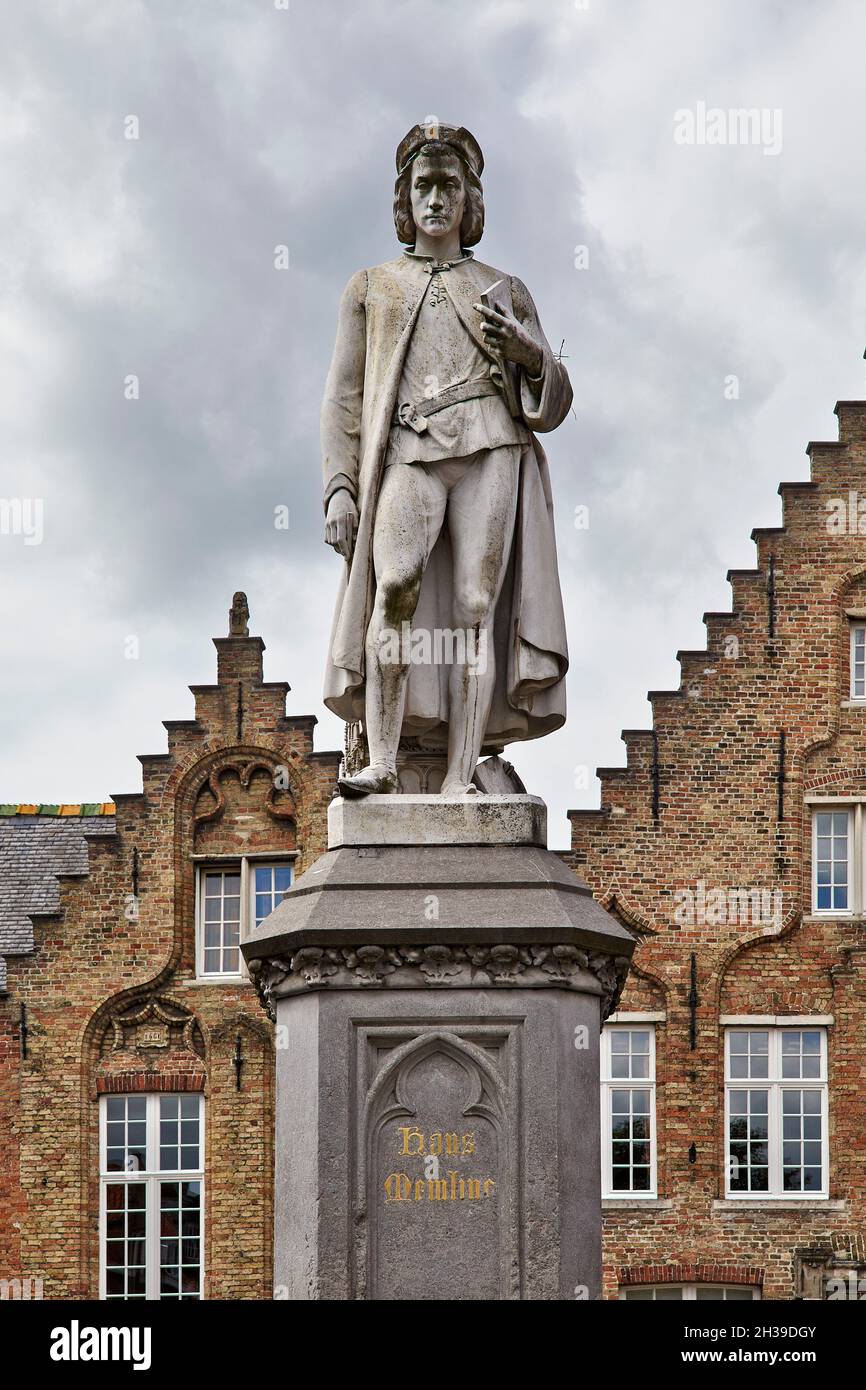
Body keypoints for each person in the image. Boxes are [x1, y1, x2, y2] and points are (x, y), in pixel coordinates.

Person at [322, 121, 572, 797]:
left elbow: (554, 394)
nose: (436, 199)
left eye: (449, 185)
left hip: (490, 443)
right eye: (423, 185)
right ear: (406, 197)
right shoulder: (372, 287)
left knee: (474, 605)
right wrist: (340, 488)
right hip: (410, 446)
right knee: (395, 586)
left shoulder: (506, 288)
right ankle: (380, 759)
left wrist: (527, 355)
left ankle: (462, 774)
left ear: (469, 198)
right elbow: (344, 397)